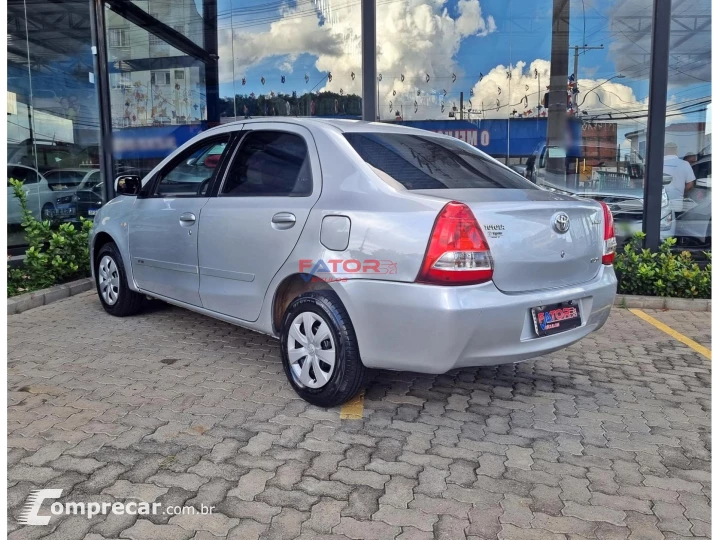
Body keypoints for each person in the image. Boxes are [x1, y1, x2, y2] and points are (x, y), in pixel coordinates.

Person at [663, 141, 695, 211]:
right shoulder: (684, 164)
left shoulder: (656, 163)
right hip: (677, 203)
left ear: (664, 151)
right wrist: (680, 192)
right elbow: (690, 185)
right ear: (676, 151)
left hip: (659, 203)